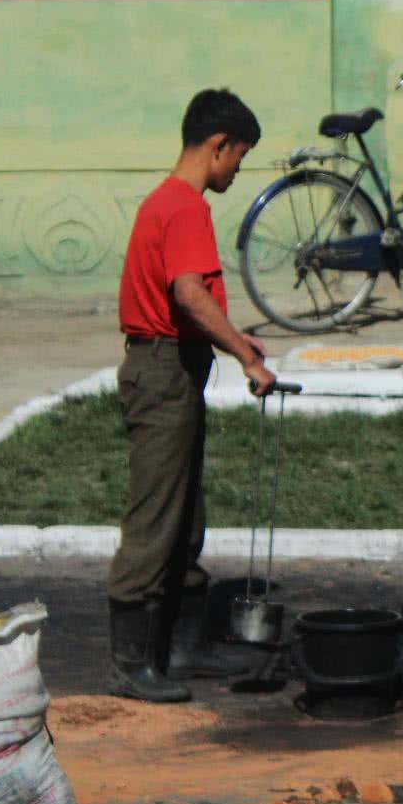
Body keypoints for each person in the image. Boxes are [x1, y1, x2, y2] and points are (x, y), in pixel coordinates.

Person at [105, 89, 278, 703]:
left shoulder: (169, 203)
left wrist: (231, 341)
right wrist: (245, 354)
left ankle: (182, 647)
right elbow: (188, 294)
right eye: (240, 157)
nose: (238, 169)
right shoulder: (184, 208)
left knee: (185, 516)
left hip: (174, 366)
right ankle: (131, 661)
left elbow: (189, 301)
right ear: (217, 146)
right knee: (155, 518)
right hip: (162, 372)